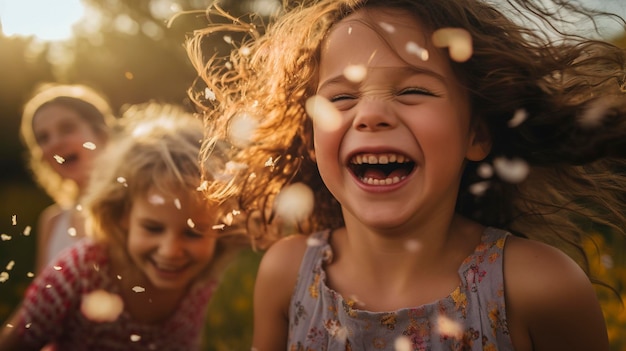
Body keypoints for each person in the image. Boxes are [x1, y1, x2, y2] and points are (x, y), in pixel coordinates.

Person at [185, 0, 626, 350]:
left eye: (413, 90)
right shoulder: (286, 274)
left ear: (477, 133)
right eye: (340, 98)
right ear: (311, 139)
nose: (371, 115)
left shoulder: (541, 288)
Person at [0, 102, 245, 350]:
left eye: (193, 232)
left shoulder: (200, 280)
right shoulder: (78, 267)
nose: (170, 250)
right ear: (122, 217)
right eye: (153, 228)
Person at [19, 83, 117, 274]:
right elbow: (38, 300)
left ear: (102, 135)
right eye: (43, 138)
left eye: (67, 128)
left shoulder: (136, 206)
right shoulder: (51, 222)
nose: (55, 143)